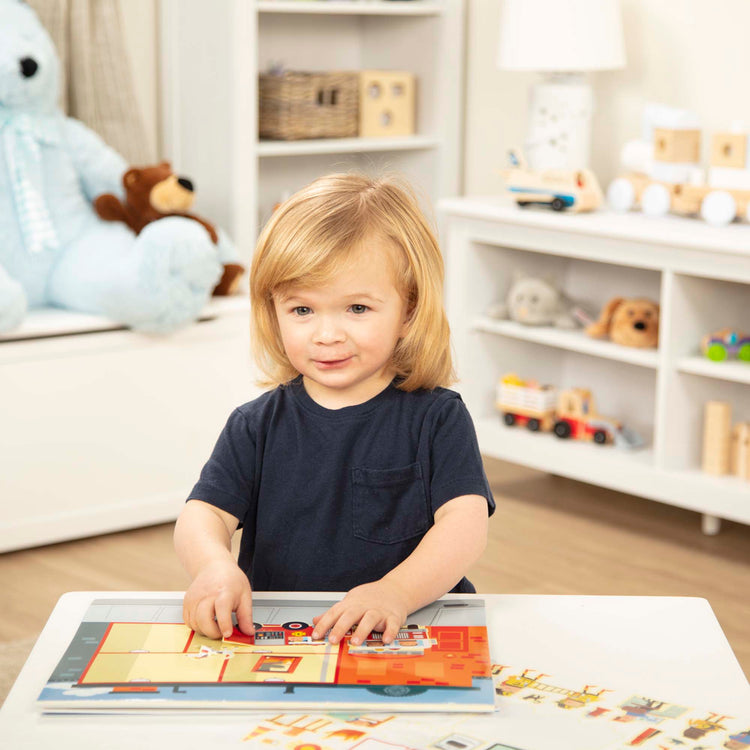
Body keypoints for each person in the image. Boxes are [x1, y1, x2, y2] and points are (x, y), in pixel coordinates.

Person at [174, 172, 495, 648]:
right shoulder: (255, 424)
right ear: (273, 311)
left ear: (408, 312)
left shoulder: (437, 418)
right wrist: (214, 567)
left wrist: (396, 592)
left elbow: (465, 526)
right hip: (286, 634)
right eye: (302, 310)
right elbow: (204, 515)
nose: (327, 334)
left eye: (357, 309)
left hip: (411, 628)